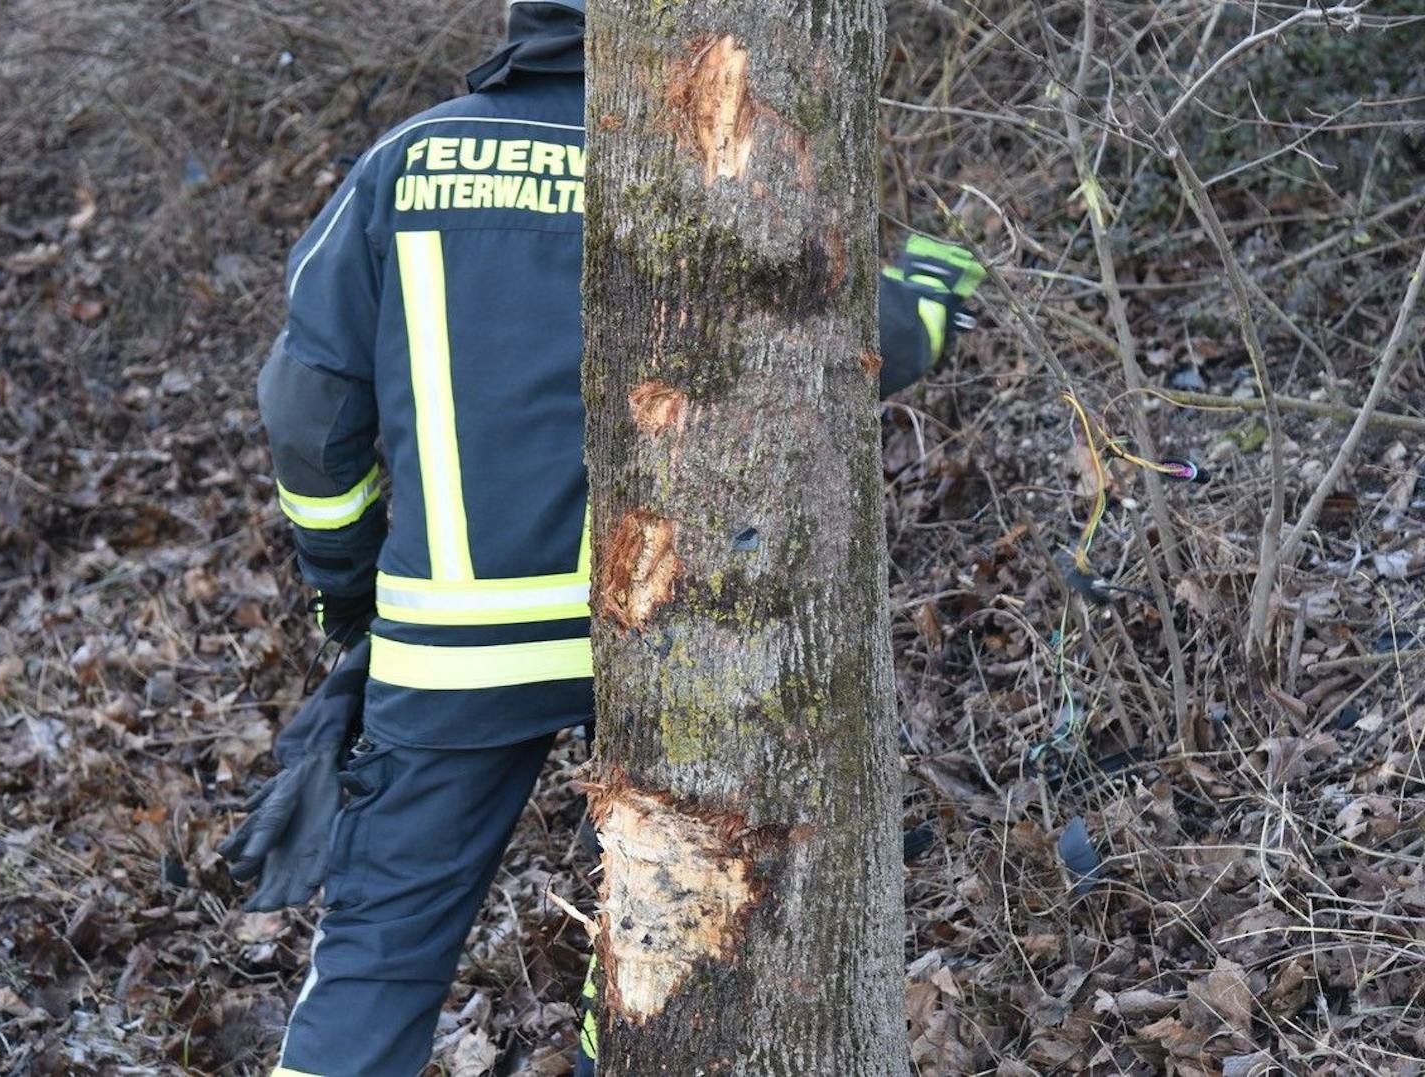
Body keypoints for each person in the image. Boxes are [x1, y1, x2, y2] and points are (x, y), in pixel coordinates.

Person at [245, 2, 984, 1073]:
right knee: (650, 970)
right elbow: (836, 331)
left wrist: (348, 590)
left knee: (374, 967)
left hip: (449, 646)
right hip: (660, 643)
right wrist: (927, 291)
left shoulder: (408, 164)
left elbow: (308, 418)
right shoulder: (695, 154)